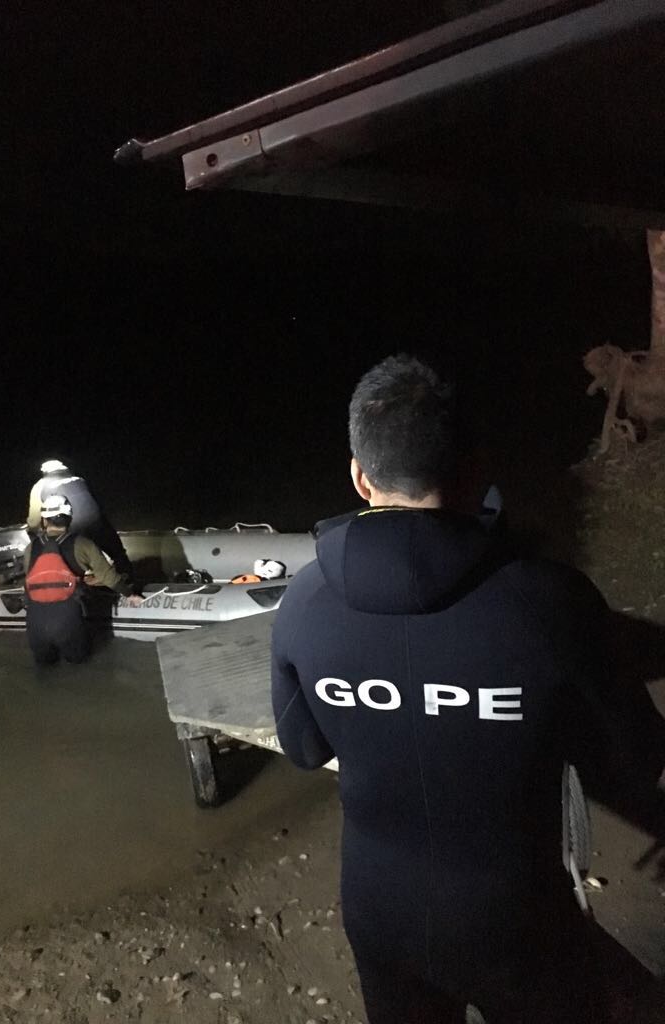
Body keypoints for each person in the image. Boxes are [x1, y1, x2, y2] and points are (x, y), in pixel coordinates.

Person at [271, 353, 665, 1023]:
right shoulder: (551, 604)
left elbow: (304, 747)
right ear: (475, 472)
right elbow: (638, 756)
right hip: (518, 920)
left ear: (360, 478)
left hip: (379, 909)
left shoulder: (304, 601)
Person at [24, 494, 143, 666]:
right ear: (69, 518)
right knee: (79, 665)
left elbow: (29, 581)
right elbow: (109, 577)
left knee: (44, 670)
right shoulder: (82, 544)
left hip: (35, 620)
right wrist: (130, 594)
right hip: (67, 617)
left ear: (44, 520)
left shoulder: (31, 547)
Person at [27, 459, 133, 577]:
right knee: (117, 552)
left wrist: (32, 529)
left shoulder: (40, 486)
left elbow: (34, 521)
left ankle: (51, 573)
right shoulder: (80, 480)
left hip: (72, 529)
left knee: (47, 541)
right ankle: (128, 577)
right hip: (98, 524)